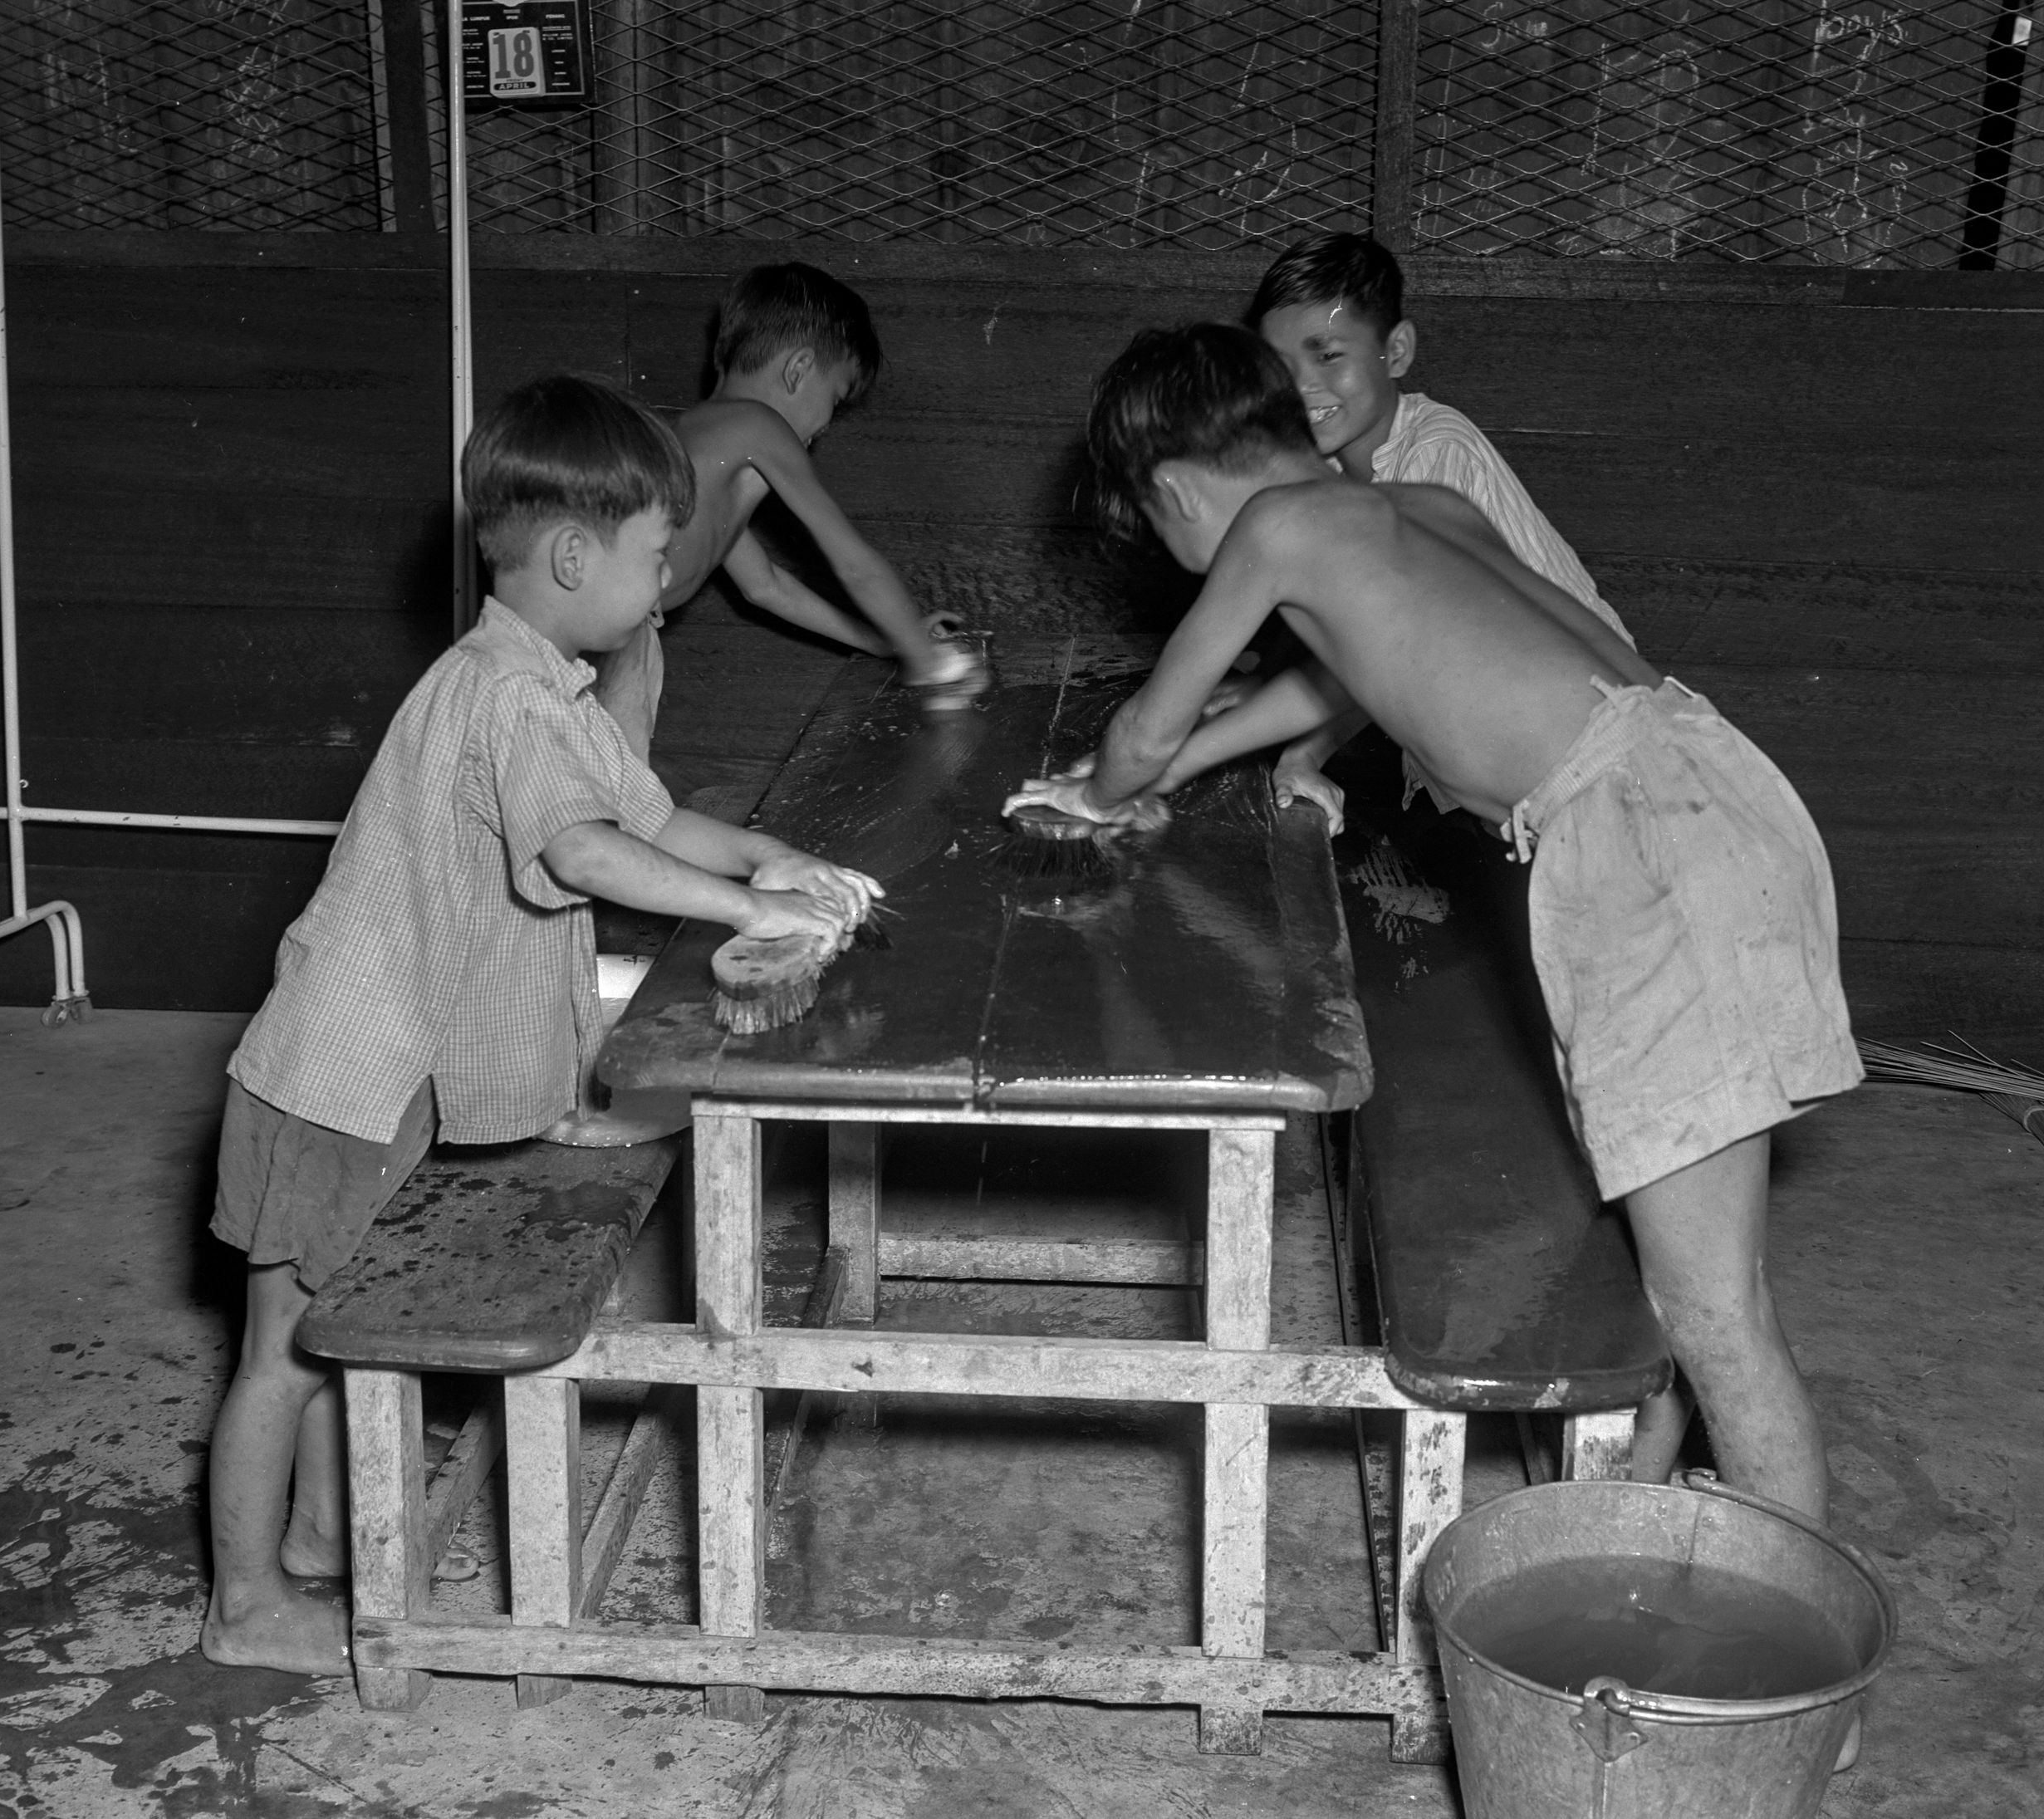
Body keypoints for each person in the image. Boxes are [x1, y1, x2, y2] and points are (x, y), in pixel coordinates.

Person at [1005, 325, 1858, 1519]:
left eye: (1156, 525)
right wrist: (1207, 768)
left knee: (1716, 1310)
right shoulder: (1413, 509)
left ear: (1175, 490)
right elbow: (1344, 676)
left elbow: (1144, 728)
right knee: (1669, 1239)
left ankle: (1787, 1603)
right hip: (1709, 788)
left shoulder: (1271, 529)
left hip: (1638, 846)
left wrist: (1100, 791)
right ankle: (1640, 1499)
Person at [200, 375, 880, 1676]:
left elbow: (647, 815)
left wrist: (772, 856)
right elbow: (585, 852)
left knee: (334, 1323)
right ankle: (242, 1605)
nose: (669, 581)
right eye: (657, 555)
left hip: (388, 1075)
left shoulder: (547, 686)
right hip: (329, 1079)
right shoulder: (504, 697)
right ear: (575, 555)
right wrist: (744, 903)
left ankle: (324, 1542)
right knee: (284, 1349)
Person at [1240, 231, 1632, 834]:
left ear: (1396, 352)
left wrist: (1301, 753)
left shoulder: (1436, 452)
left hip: (1594, 753)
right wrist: (1265, 696)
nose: (1301, 387)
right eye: (1280, 366)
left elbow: (1386, 647)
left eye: (1328, 356)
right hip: (1529, 769)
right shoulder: (1334, 477)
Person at [592, 262, 984, 758]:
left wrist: (882, 640)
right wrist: (922, 654)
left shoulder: (702, 445)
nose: (827, 425)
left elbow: (765, 586)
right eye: (835, 399)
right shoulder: (757, 425)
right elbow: (854, 563)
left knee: (599, 786)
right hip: (608, 626)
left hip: (607, 626)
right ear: (798, 370)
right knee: (606, 791)